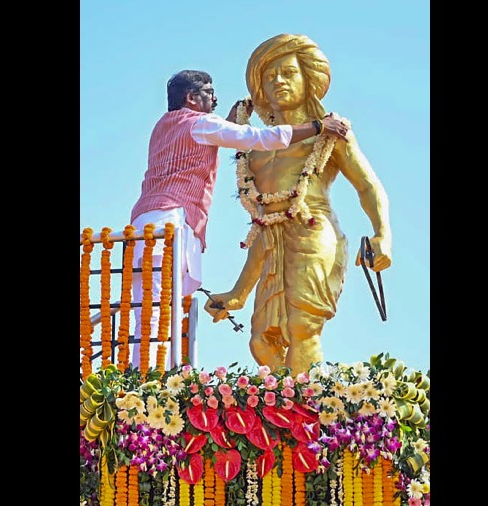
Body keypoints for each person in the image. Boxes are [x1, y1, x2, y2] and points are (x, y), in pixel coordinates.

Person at [128, 69, 349, 367]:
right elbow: (258, 138)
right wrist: (319, 126)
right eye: (208, 92)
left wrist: (229, 121)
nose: (214, 98)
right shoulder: (200, 123)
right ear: (191, 98)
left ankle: (146, 372)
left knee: (152, 303)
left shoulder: (164, 126)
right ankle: (152, 376)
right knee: (160, 305)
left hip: (145, 222)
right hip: (171, 220)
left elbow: (214, 137)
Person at [203, 34, 392, 375]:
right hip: (269, 241)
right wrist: (239, 292)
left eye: (288, 72)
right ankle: (285, 411)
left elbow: (367, 185)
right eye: (269, 76)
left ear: (308, 79)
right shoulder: (256, 145)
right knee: (261, 341)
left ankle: (309, 413)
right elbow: (263, 222)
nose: (277, 81)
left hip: (312, 231)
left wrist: (383, 234)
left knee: (303, 327)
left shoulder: (330, 133)